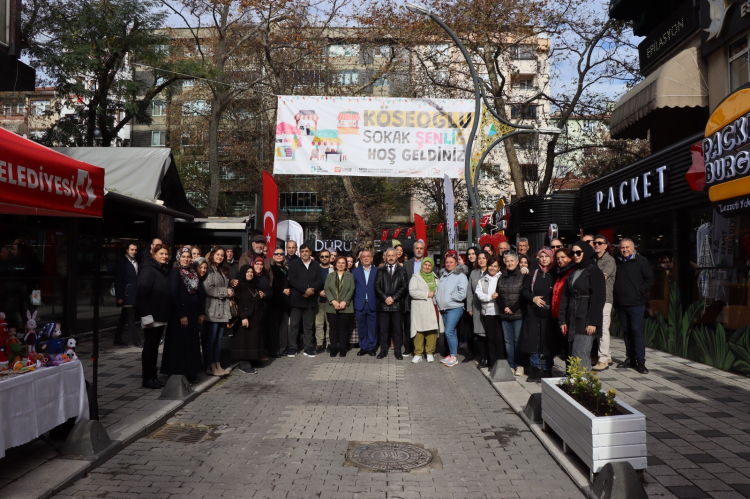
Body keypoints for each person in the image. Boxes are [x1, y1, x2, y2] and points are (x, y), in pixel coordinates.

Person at [559, 241, 606, 371]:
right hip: (571, 319)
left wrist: (593, 322)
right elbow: (565, 297)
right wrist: (562, 320)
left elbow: (599, 298)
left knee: (580, 353)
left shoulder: (594, 271)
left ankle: (583, 382)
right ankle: (573, 380)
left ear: (586, 253)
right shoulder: (572, 272)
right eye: (573, 253)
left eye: (578, 252)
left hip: (585, 319)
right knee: (571, 354)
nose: (575, 255)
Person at [161, 247, 205, 383]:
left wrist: (201, 312)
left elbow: (198, 293)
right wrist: (181, 315)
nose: (186, 259)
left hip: (192, 315)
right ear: (178, 258)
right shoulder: (175, 272)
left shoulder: (192, 271)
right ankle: (178, 372)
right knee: (179, 345)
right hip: (180, 316)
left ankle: (191, 372)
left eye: (188, 256)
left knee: (191, 344)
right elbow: (174, 294)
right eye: (183, 256)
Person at [614, 238, 654, 374]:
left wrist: (639, 291)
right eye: (622, 248)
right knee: (627, 332)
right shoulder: (618, 262)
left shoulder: (641, 260)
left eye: (627, 247)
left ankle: (641, 362)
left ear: (633, 248)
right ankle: (630, 359)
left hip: (636, 303)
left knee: (637, 332)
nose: (625, 250)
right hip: (622, 303)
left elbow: (650, 279)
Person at [136, 243, 171, 389]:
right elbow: (142, 293)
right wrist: (146, 316)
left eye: (166, 254)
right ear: (154, 254)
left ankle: (153, 377)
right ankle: (147, 378)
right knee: (150, 348)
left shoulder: (160, 269)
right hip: (151, 316)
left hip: (159, 315)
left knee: (155, 348)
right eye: (161, 253)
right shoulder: (148, 269)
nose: (164, 256)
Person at [519, 248, 557, 381]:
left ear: (551, 258)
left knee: (548, 341)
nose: (544, 259)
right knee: (533, 341)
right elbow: (524, 291)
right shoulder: (533, 273)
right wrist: (533, 298)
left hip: (549, 313)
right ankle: (535, 369)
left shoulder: (555, 273)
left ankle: (547, 369)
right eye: (542, 256)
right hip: (533, 312)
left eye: (547, 256)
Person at [232, 261, 272, 374]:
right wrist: (243, 317)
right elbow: (238, 302)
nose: (249, 274)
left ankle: (252, 359)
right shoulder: (239, 285)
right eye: (247, 272)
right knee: (244, 340)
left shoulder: (254, 284)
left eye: (251, 272)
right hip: (244, 317)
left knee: (252, 340)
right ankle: (244, 363)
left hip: (255, 317)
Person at [287, 243, 323, 358]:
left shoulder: (316, 264)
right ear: (300, 252)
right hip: (297, 299)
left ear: (310, 252)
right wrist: (304, 290)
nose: (304, 253)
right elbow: (292, 280)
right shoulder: (294, 264)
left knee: (308, 326)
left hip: (310, 299)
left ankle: (308, 347)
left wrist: (312, 290)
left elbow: (319, 279)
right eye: (302, 251)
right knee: (294, 325)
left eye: (306, 251)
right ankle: (293, 347)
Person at [435, 250, 468, 367]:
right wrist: (438, 299)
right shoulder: (443, 275)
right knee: (451, 332)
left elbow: (462, 293)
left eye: (451, 262)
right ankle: (451, 354)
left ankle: (454, 356)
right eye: (447, 262)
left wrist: (450, 297)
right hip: (444, 308)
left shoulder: (461, 276)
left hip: (454, 307)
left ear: (456, 263)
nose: (449, 264)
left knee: (448, 331)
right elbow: (440, 291)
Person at [203, 246, 232, 376]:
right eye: (218, 254)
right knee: (211, 339)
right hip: (212, 309)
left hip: (222, 310)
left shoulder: (222, 269)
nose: (220, 257)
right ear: (213, 254)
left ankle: (217, 364)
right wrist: (225, 292)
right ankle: (210, 365)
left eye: (222, 255)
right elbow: (208, 289)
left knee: (218, 340)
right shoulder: (209, 269)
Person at [375, 248, 408, 360]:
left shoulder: (402, 270)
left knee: (398, 330)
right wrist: (385, 298)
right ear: (385, 257)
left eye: (392, 255)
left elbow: (404, 287)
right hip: (383, 305)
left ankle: (398, 352)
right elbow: (376, 286)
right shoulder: (380, 270)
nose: (390, 257)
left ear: (396, 256)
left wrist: (393, 298)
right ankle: (383, 350)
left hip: (397, 305)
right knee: (383, 330)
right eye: (388, 255)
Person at [409, 257, 443, 363]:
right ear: (422, 265)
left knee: (432, 330)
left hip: (432, 307)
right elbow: (412, 291)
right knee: (418, 330)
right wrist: (427, 294)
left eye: (429, 265)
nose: (427, 267)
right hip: (419, 308)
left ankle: (430, 353)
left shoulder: (435, 278)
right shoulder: (415, 277)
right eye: (425, 264)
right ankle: (418, 353)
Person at [496, 251, 524, 375]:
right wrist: (504, 308)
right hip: (505, 314)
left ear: (517, 262)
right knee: (508, 341)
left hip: (518, 313)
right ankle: (511, 364)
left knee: (518, 340)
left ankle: (519, 364)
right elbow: (497, 294)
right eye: (507, 261)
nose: (510, 263)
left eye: (512, 261)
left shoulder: (522, 276)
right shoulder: (501, 277)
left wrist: (513, 308)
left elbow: (524, 295)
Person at [592, 235, 616, 371]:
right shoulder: (593, 259)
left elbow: (602, 277)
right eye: (595, 243)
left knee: (603, 328)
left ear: (606, 246)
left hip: (605, 299)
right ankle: (607, 356)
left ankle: (603, 359)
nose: (597, 245)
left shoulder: (609, 260)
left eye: (600, 243)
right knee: (598, 328)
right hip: (595, 298)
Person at [476, 257, 504, 370]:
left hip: (500, 313)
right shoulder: (482, 280)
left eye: (495, 266)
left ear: (499, 268)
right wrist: (490, 297)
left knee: (499, 339)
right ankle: (492, 363)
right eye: (490, 266)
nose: (492, 268)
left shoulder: (502, 278)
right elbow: (479, 294)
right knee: (490, 339)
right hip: (488, 312)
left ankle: (501, 362)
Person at [324, 255, 354, 357]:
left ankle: (342, 348)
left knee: (343, 328)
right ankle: (333, 348)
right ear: (335, 264)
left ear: (346, 265)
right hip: (332, 306)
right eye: (339, 263)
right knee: (333, 328)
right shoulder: (330, 275)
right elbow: (327, 289)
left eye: (343, 263)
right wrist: (333, 301)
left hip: (345, 306)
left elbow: (351, 289)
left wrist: (344, 301)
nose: (341, 265)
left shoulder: (350, 276)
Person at [113, 243, 141, 347]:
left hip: (134, 292)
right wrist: (119, 296)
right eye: (132, 250)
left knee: (124, 318)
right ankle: (136, 339)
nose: (134, 252)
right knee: (130, 316)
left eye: (135, 250)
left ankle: (117, 338)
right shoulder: (122, 263)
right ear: (127, 250)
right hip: (126, 293)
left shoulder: (136, 262)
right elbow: (118, 281)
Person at [352, 249, 379, 356]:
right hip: (360, 304)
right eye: (363, 257)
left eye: (368, 256)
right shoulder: (355, 271)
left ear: (372, 258)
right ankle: (363, 347)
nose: (366, 258)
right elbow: (353, 288)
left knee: (372, 327)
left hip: (373, 303)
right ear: (360, 259)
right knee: (361, 327)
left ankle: (371, 347)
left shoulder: (378, 271)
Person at [552, 248, 576, 365]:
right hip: (558, 314)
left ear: (570, 258)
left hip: (567, 314)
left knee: (570, 348)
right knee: (565, 348)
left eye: (563, 257)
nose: (560, 260)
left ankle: (571, 372)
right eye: (557, 258)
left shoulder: (571, 273)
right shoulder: (560, 273)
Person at [403, 241, 427, 356]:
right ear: (413, 250)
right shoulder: (407, 264)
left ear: (424, 250)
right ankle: (409, 347)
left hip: (424, 299)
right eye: (417, 248)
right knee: (408, 324)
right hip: (409, 299)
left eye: (421, 248)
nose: (419, 250)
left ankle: (423, 348)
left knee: (423, 324)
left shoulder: (428, 263)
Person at [467, 251, 489, 367]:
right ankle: (482, 357)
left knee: (488, 333)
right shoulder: (474, 273)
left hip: (489, 308)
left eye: (484, 258)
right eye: (479, 258)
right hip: (476, 307)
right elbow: (470, 292)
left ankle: (489, 357)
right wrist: (469, 307)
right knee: (479, 333)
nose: (481, 260)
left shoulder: (491, 272)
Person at [270, 247, 291, 357]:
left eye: (281, 254)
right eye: (277, 254)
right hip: (275, 302)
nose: (279, 256)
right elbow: (271, 284)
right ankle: (275, 350)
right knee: (274, 327)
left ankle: (283, 349)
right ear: (273, 256)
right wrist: (282, 290)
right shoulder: (271, 269)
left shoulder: (286, 269)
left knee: (283, 327)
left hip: (285, 303)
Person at [315, 249, 332, 353]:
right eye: (322, 256)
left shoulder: (333, 269)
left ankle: (329, 343)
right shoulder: (316, 268)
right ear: (319, 258)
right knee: (318, 324)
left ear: (330, 257)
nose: (324, 258)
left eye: (326, 256)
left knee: (330, 324)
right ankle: (319, 343)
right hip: (318, 300)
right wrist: (318, 292)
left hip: (331, 301)